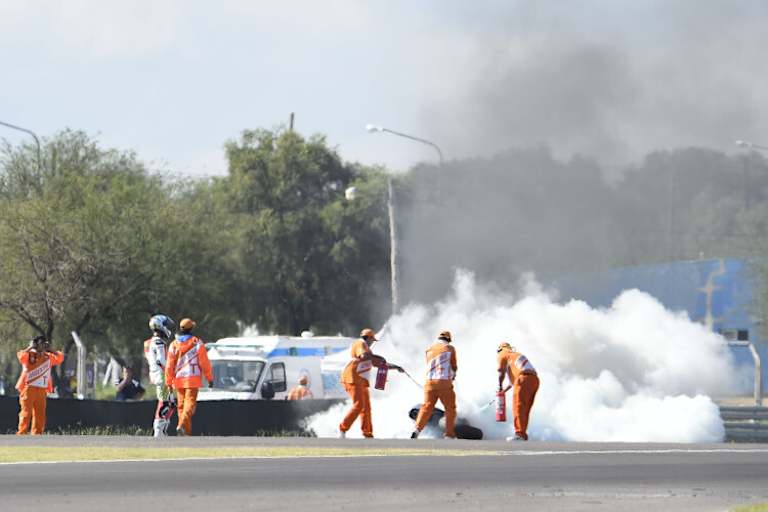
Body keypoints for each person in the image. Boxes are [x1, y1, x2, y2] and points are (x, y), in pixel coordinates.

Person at [338, 328, 401, 438]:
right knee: (359, 405)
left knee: (366, 408)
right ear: (368, 338)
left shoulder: (368, 351)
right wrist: (379, 357)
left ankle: (367, 433)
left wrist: (396, 367)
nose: (372, 343)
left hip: (361, 381)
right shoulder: (360, 343)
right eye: (372, 340)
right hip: (352, 378)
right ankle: (342, 429)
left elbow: (380, 364)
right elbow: (364, 357)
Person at [165, 318, 214, 436]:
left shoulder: (173, 345)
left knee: (181, 406)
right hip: (192, 379)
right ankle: (182, 425)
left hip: (178, 380)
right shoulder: (197, 343)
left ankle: (186, 433)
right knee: (189, 404)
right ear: (191, 329)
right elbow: (204, 362)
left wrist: (168, 382)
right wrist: (210, 378)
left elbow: (169, 365)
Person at [411, 330, 458, 439]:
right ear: (448, 340)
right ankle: (449, 434)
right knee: (450, 408)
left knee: (427, 407)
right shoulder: (450, 348)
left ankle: (417, 429)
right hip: (443, 382)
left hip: (429, 382)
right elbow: (454, 366)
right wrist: (454, 375)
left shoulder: (429, 349)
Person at [16, 336, 65, 435]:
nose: (42, 345)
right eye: (40, 343)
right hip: (29, 388)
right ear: (36, 344)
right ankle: (22, 433)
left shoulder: (48, 356)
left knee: (40, 414)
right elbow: (20, 356)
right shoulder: (29, 355)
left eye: (44, 343)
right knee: (26, 413)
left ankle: (37, 434)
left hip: (42, 390)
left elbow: (60, 358)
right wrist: (29, 347)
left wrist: (52, 350)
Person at [497, 342, 539, 441]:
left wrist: (499, 386)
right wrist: (503, 391)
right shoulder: (514, 356)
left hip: (523, 379)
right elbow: (512, 382)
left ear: (500, 349)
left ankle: (519, 434)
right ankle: (522, 434)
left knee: (518, 407)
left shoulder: (502, 353)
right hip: (534, 380)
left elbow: (500, 371)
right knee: (525, 410)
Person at [144, 314, 176, 436]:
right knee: (165, 402)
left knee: (171, 403)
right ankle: (158, 431)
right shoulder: (159, 342)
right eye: (166, 325)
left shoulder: (149, 343)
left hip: (158, 375)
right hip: (163, 376)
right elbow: (162, 360)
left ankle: (162, 429)